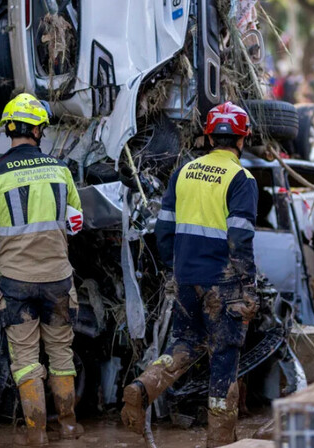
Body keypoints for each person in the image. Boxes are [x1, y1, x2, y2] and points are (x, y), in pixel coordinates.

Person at [121, 102, 259, 447]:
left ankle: (142, 387)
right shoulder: (242, 179)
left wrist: (172, 267)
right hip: (224, 284)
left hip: (186, 278)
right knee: (224, 358)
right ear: (243, 138)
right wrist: (248, 285)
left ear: (209, 136)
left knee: (184, 344)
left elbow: (163, 226)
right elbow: (240, 236)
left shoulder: (185, 171)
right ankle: (220, 440)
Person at [0, 93, 84, 446]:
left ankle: (36, 435)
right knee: (61, 355)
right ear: (38, 131)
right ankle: (68, 427)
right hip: (58, 280)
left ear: (9, 129)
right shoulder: (61, 170)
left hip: (15, 282)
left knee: (24, 360)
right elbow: (77, 225)